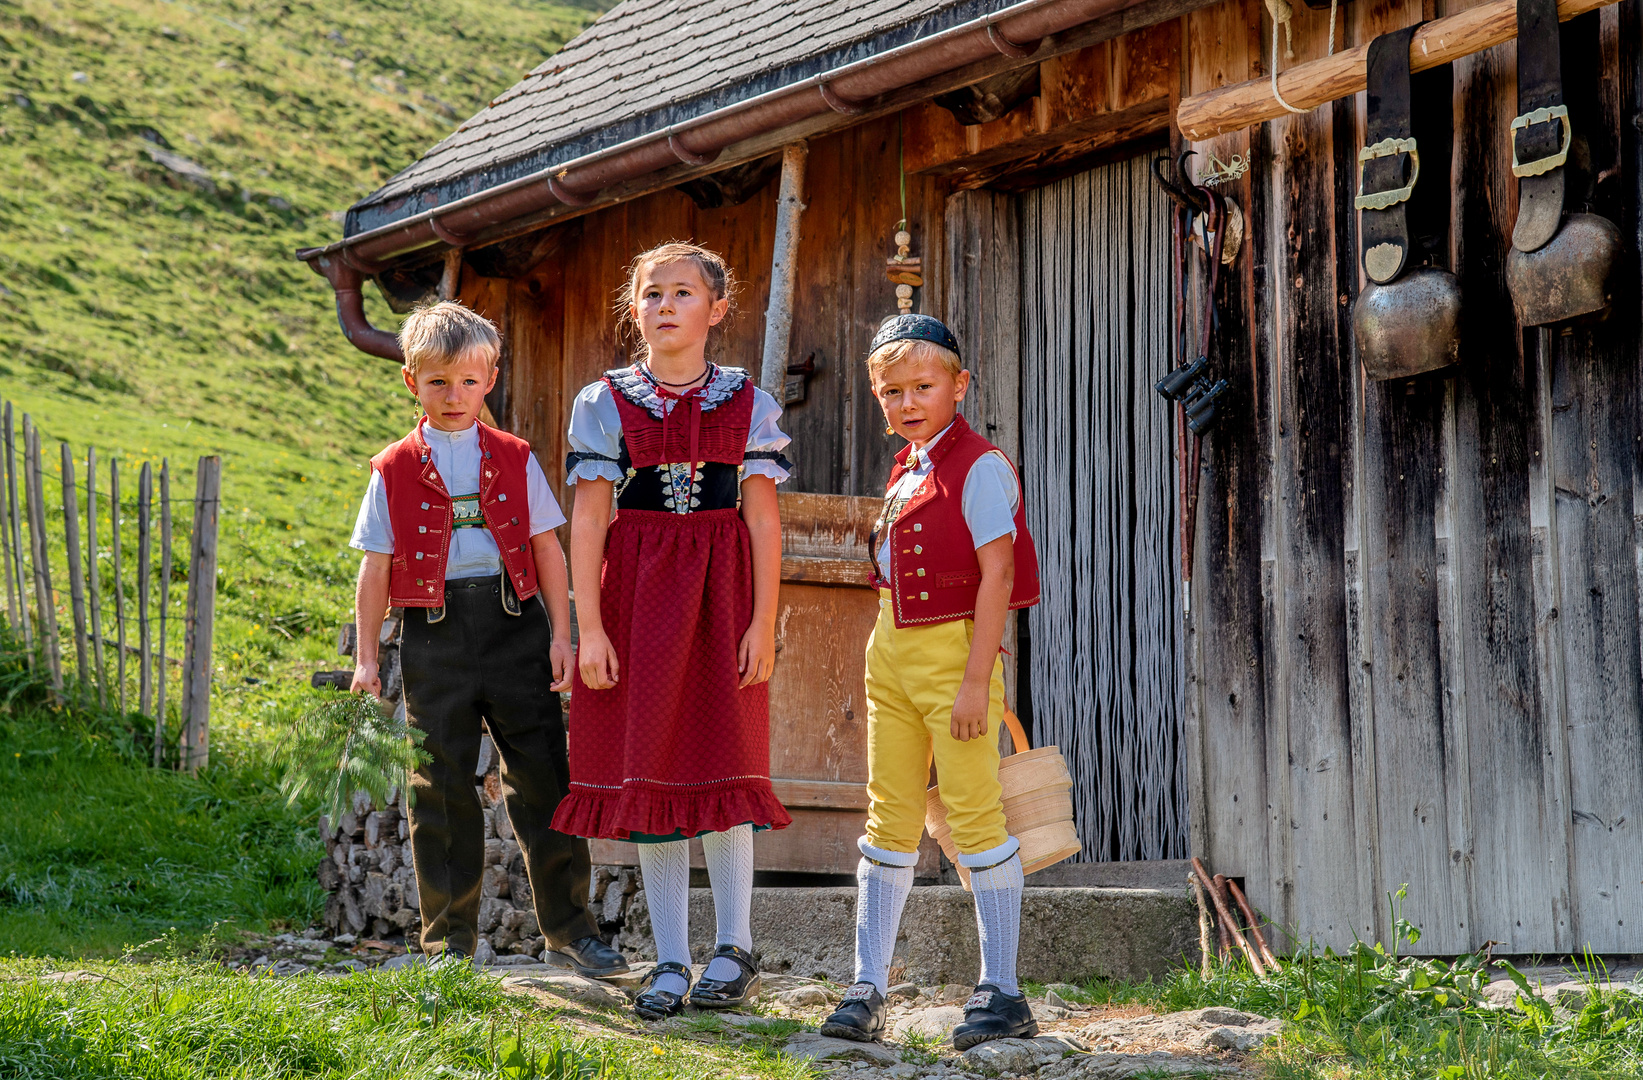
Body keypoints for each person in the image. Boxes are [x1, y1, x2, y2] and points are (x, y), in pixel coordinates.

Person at [348, 300, 626, 978]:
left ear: (490, 380)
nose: (454, 396)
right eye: (438, 381)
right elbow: (373, 568)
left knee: (543, 778)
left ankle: (569, 931)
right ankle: (448, 943)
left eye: (468, 382)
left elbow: (547, 548)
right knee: (437, 786)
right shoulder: (390, 467)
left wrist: (563, 634)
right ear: (412, 381)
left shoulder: (513, 456)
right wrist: (364, 662)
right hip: (432, 634)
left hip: (515, 627)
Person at [554, 242, 792, 1020]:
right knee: (647, 767)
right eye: (651, 293)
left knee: (726, 762)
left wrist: (763, 619)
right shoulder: (603, 402)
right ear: (635, 310)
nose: (664, 305)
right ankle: (669, 957)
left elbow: (762, 519)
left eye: (682, 293)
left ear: (716, 310)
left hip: (722, 594)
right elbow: (588, 521)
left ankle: (734, 946)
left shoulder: (749, 403)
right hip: (638, 596)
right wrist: (590, 630)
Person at [819, 315, 1041, 1049]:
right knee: (888, 816)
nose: (907, 401)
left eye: (922, 386)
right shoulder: (907, 467)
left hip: (954, 657)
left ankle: (1003, 990)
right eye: (891, 391)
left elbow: (997, 576)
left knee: (975, 815)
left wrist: (977, 681)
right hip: (891, 653)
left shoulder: (978, 465)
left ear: (958, 385)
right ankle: (866, 987)